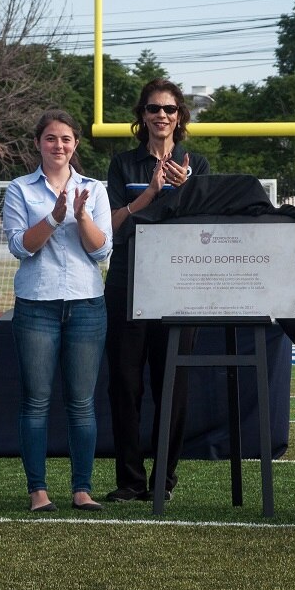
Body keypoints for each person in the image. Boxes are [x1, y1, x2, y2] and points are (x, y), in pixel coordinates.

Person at [104, 79, 210, 503]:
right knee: (124, 384)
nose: (161, 116)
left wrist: (187, 190)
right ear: (142, 115)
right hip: (128, 281)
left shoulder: (197, 164)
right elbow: (111, 226)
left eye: (169, 109)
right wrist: (149, 194)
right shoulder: (122, 164)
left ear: (180, 115)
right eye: (153, 109)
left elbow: (205, 229)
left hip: (179, 285)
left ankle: (163, 478)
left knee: (173, 385)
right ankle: (130, 480)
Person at [3, 110, 112, 512]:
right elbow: (20, 246)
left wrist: (80, 215)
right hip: (37, 306)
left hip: (86, 305)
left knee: (82, 404)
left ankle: (82, 490)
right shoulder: (19, 188)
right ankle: (38, 492)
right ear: (38, 143)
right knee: (36, 402)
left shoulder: (94, 189)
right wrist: (54, 217)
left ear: (75, 144)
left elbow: (101, 250)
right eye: (50, 138)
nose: (58, 146)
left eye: (66, 139)